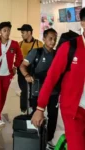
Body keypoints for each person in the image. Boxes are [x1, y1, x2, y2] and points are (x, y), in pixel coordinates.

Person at [31, 7, 85, 150]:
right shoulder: (70, 47)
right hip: (74, 110)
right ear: (83, 23)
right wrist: (40, 107)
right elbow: (51, 78)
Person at [20, 28, 58, 150]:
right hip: (37, 91)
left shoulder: (57, 54)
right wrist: (26, 75)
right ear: (44, 39)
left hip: (54, 92)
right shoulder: (36, 52)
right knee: (35, 115)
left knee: (53, 117)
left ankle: (48, 140)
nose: (53, 42)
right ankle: (34, 139)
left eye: (55, 39)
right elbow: (22, 65)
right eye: (50, 38)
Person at [0, 22, 23, 131]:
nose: (7, 33)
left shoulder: (14, 44)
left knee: (3, 98)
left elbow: (20, 56)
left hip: (7, 75)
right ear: (0, 32)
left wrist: (15, 66)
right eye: (4, 30)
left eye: (8, 30)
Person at [17, 24, 43, 113]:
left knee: (34, 90)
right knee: (24, 89)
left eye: (23, 32)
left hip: (34, 70)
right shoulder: (19, 44)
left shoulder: (38, 44)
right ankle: (23, 108)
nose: (22, 34)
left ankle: (33, 107)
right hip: (22, 70)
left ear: (29, 32)